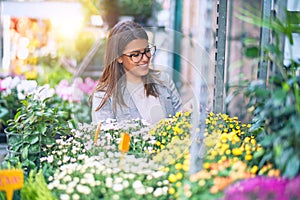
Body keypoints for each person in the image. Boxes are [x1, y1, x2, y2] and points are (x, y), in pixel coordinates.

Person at [90, 21, 182, 125]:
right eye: (136, 54)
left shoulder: (163, 80)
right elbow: (105, 138)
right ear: (119, 57)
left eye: (147, 50)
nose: (145, 58)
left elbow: (180, 122)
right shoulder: (104, 96)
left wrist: (188, 113)